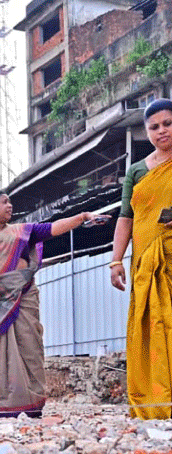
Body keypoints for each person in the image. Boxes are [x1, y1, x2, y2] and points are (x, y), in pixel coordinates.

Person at [0, 191, 107, 418]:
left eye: (10, 201)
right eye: (4, 202)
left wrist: (83, 216)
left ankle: (22, 405)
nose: (10, 205)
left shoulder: (22, 232)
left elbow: (53, 228)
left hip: (23, 299)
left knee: (27, 348)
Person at [110, 98, 172, 420]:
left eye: (167, 124)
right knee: (151, 328)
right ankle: (156, 402)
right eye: (154, 127)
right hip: (148, 261)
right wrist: (116, 260)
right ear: (146, 132)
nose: (162, 131)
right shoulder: (136, 171)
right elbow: (126, 217)